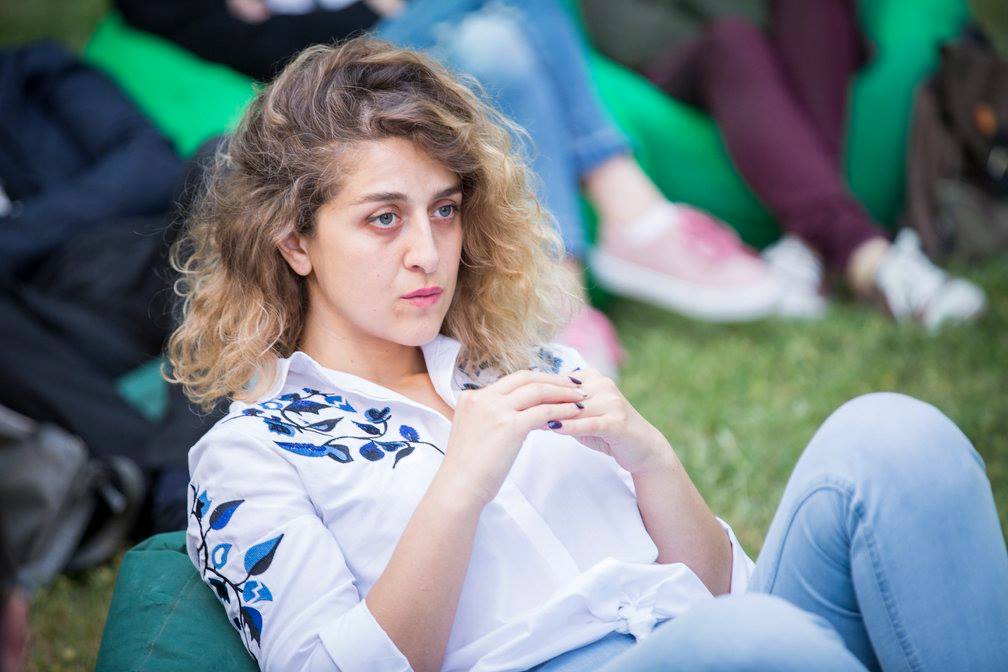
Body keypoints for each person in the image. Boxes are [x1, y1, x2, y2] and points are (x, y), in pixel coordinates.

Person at [169, 39, 1008, 671]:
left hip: (718, 633)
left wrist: (652, 461)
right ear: (295, 240)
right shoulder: (251, 456)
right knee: (745, 640)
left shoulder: (520, 365)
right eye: (383, 218)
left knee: (896, 436)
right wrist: (460, 484)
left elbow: (728, 592)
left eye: (445, 210)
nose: (428, 252)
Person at [118, 0, 782, 376]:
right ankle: (628, 210)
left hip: (432, 27)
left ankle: (561, 297)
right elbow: (270, 51)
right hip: (334, 72)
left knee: (495, 42)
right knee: (493, 33)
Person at [580, 0, 987, 328]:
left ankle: (807, 244)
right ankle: (865, 252)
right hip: (682, 67)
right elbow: (633, 36)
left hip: (791, 61)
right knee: (734, 41)